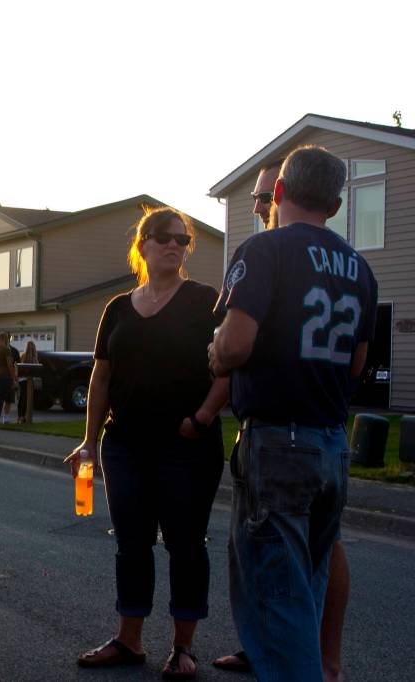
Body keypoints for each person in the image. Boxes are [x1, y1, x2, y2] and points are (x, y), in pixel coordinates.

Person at [210, 146, 377, 682]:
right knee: (307, 583)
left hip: (278, 442)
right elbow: (357, 365)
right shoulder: (360, 268)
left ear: (279, 191)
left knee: (276, 599)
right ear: (335, 204)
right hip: (332, 442)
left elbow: (235, 344)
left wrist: (215, 351)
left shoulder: (264, 249)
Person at [68, 206, 229, 679]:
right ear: (142, 245)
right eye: (164, 237)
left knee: (185, 544)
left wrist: (202, 418)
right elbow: (101, 377)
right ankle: (129, 639)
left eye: (183, 239)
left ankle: (183, 648)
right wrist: (89, 441)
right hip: (125, 446)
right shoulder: (117, 308)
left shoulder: (205, 301)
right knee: (132, 544)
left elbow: (230, 367)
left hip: (187, 447)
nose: (175, 245)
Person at [0, 332, 17, 425]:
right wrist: (14, 378)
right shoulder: (6, 350)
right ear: (6, 339)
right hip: (4, 376)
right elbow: (10, 365)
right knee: (1, 398)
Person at [17, 340, 39, 423]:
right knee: (27, 399)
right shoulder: (34, 358)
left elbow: (19, 368)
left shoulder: (22, 355)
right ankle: (25, 416)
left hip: (22, 380)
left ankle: (20, 417)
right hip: (30, 380)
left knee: (22, 398)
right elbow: (37, 369)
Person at [2, 334, 21, 423]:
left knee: (8, 399)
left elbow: (18, 364)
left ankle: (4, 418)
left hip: (8, 376)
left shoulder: (14, 351)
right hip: (3, 376)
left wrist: (16, 378)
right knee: (2, 399)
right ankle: (0, 418)